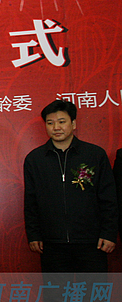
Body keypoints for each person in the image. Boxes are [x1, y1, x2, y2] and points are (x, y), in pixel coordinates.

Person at [24, 100, 117, 268]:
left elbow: (108, 197)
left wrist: (109, 233)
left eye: (62, 122)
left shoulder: (94, 155)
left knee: (94, 285)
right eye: (50, 123)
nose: (56, 127)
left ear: (73, 124)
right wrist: (33, 234)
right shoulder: (35, 159)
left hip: (92, 241)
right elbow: (31, 201)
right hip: (51, 243)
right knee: (55, 286)